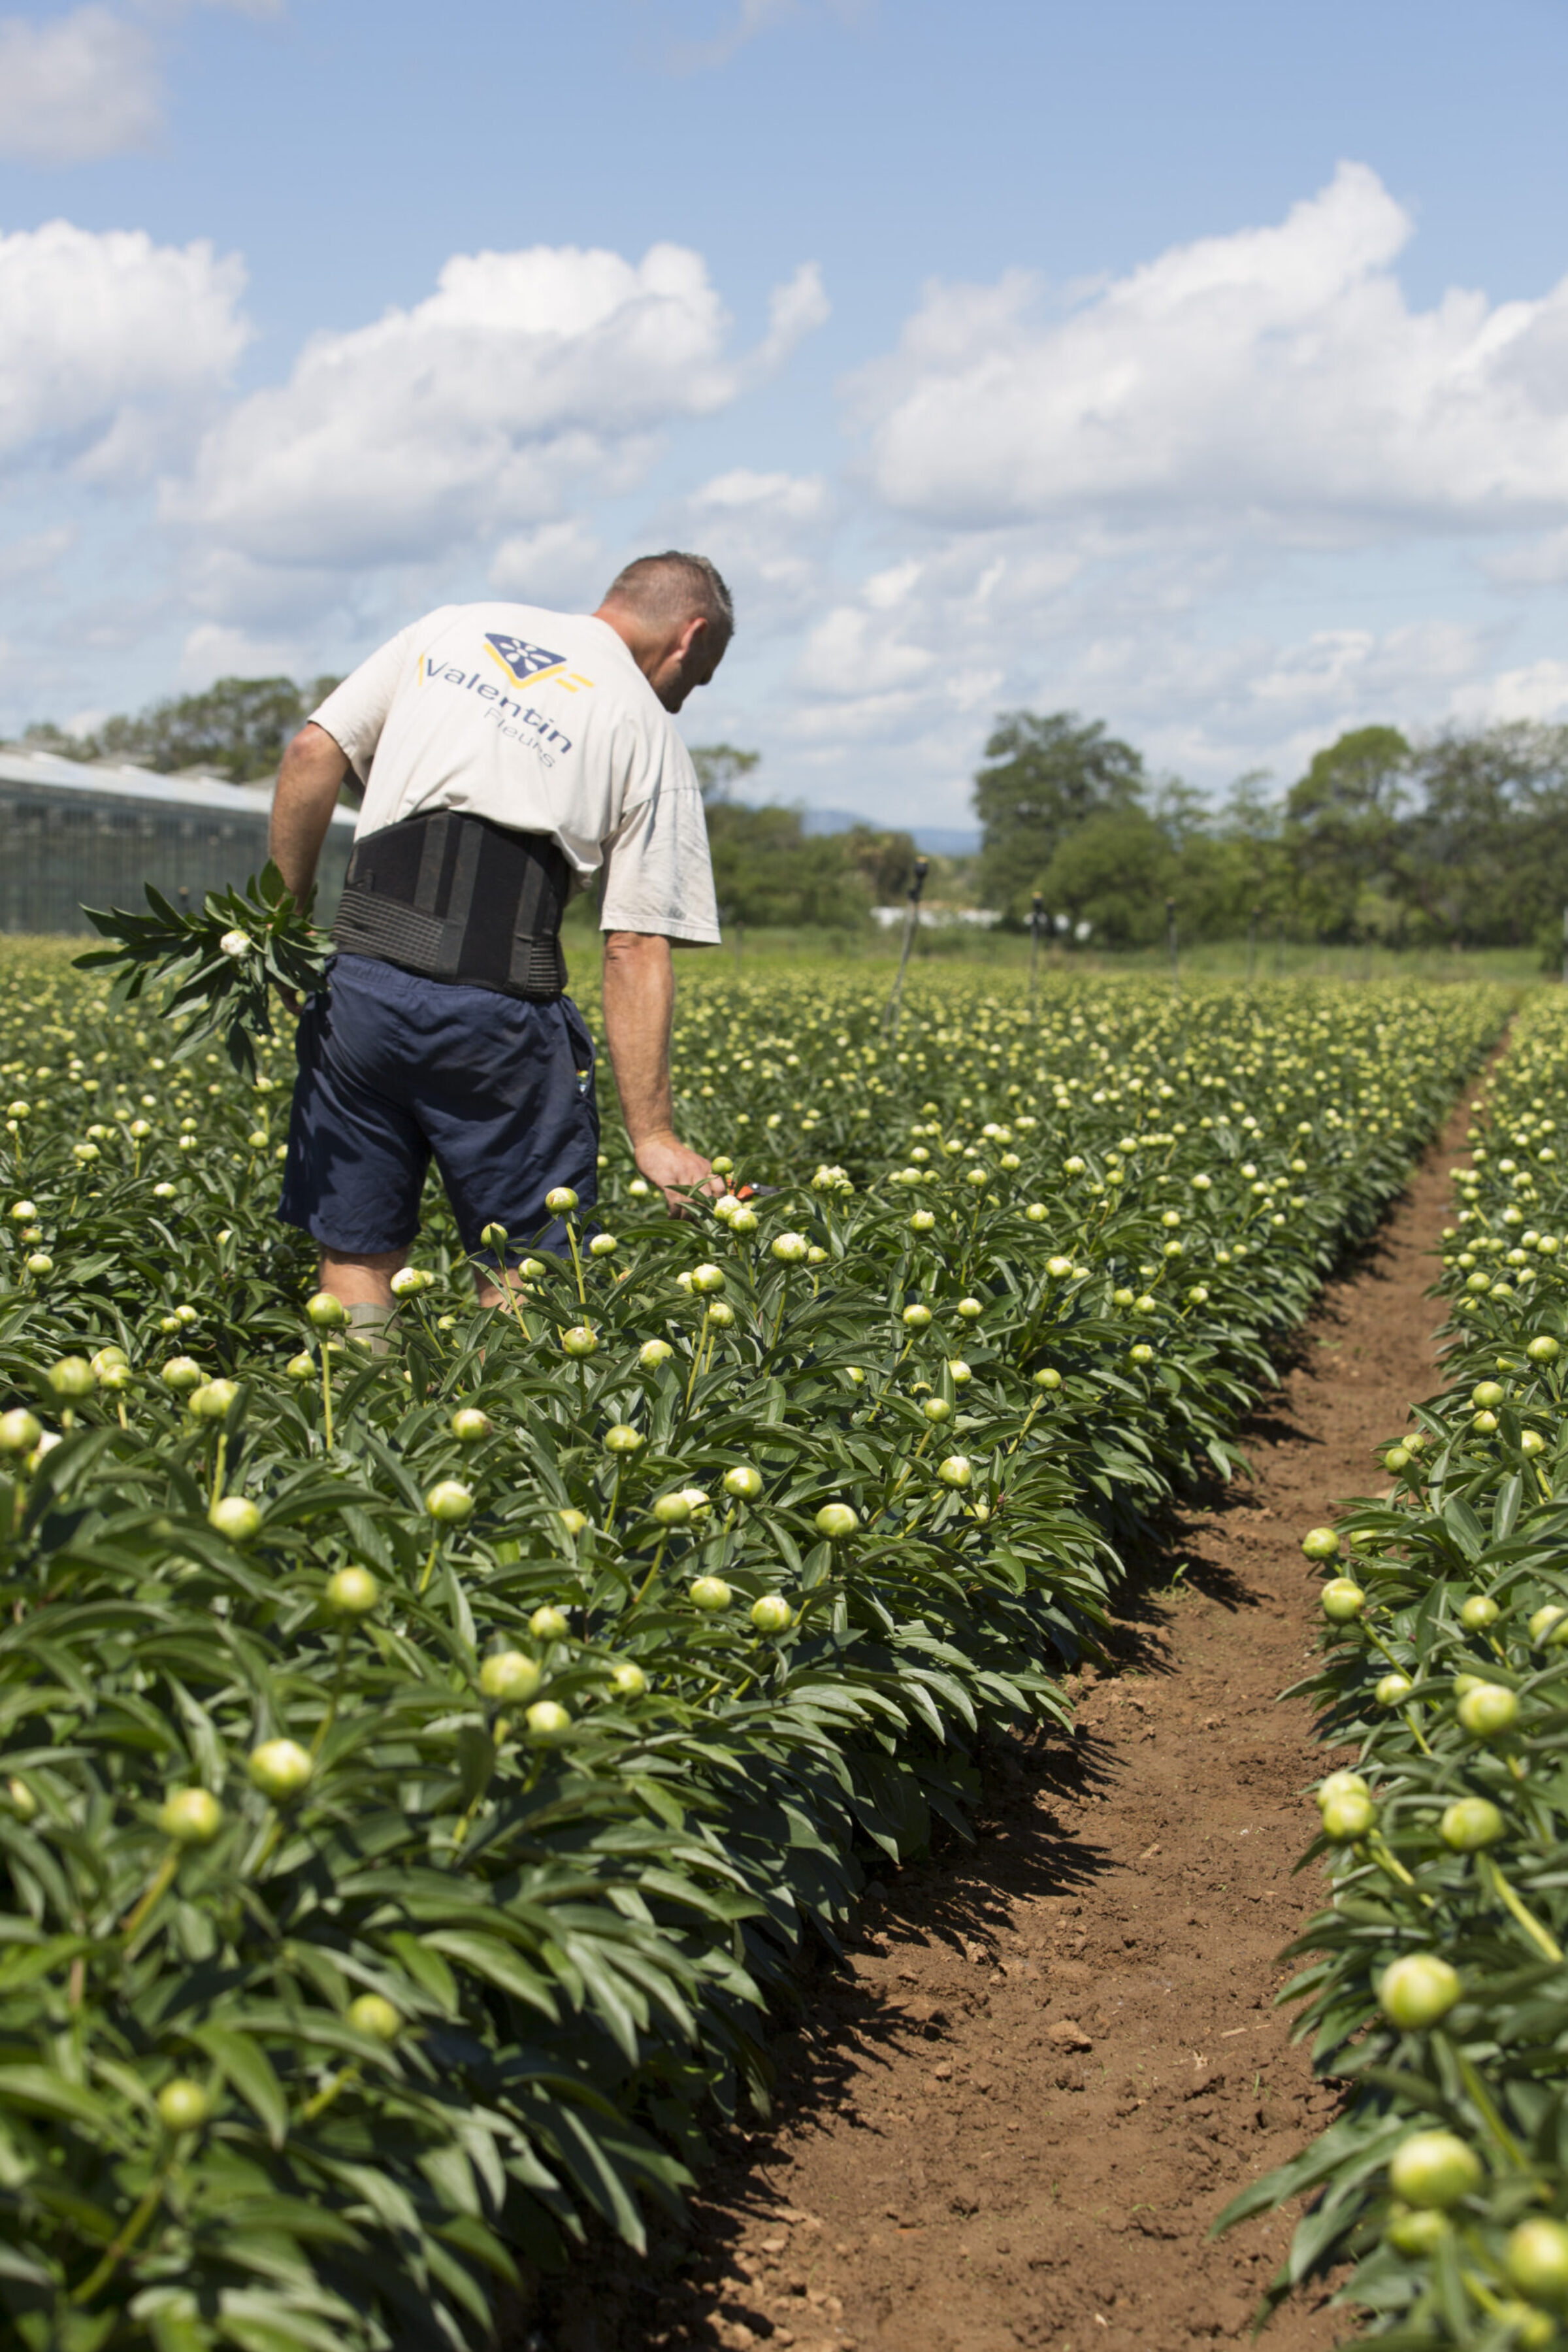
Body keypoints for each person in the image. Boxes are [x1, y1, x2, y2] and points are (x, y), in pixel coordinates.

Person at [267, 550, 728, 1343]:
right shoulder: (645, 724)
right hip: (497, 1011)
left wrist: (281, 926)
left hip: (362, 993)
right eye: (702, 675)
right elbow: (635, 943)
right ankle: (506, 1440)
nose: (689, 697)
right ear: (689, 638)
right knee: (528, 1264)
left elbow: (313, 753)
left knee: (357, 1248)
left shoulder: (451, 627)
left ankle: (354, 1438)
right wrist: (650, 1134)